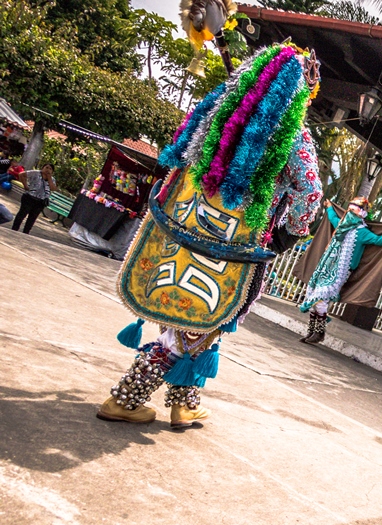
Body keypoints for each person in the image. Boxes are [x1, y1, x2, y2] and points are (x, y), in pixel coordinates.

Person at [96, 43, 322, 428]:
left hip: (185, 232)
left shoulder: (216, 117)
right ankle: (125, 398)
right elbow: (311, 193)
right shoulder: (293, 139)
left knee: (186, 314)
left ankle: (184, 404)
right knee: (198, 324)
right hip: (236, 249)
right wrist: (290, 233)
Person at [297, 196, 382, 344]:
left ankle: (319, 333)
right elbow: (333, 216)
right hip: (326, 267)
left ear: (362, 213)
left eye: (354, 210)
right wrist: (328, 206)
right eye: (350, 209)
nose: (350, 212)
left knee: (320, 299)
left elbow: (378, 241)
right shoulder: (341, 225)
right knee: (315, 299)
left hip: (341, 271)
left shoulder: (362, 232)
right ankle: (313, 332)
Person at [11, 163, 56, 234]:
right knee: (22, 214)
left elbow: (53, 188)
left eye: (50, 169)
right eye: (46, 167)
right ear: (43, 168)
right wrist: (25, 185)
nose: (48, 170)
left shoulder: (52, 179)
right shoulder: (35, 173)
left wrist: (49, 178)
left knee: (32, 218)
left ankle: (25, 232)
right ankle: (14, 230)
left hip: (40, 201)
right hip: (29, 197)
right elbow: (21, 174)